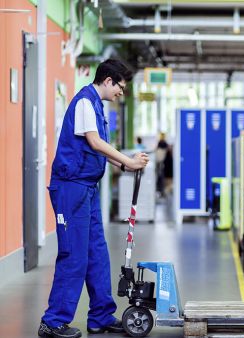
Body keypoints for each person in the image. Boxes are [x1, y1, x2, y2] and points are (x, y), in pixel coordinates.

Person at [38, 59, 149, 338]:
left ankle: (100, 316)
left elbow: (97, 150)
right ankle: (52, 322)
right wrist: (129, 162)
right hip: (70, 187)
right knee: (74, 256)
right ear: (108, 80)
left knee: (97, 254)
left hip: (87, 188)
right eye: (120, 88)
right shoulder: (85, 102)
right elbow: (95, 142)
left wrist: (124, 165)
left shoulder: (98, 107)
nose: (121, 93)